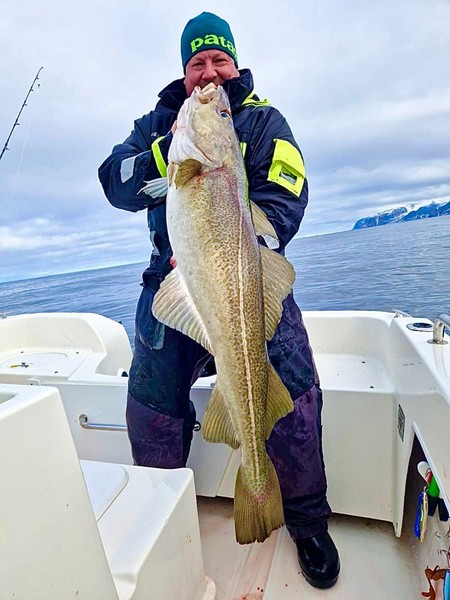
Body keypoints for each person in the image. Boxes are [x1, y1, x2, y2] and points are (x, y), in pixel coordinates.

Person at [99, 11, 340, 589]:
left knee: (293, 390)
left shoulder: (260, 122)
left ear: (234, 64)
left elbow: (286, 193)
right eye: (196, 64)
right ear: (184, 73)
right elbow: (114, 180)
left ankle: (305, 520)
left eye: (218, 61)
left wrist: (245, 251)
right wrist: (169, 150)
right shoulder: (159, 128)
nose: (209, 76)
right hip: (174, 283)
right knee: (152, 405)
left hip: (246, 275)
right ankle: (161, 517)